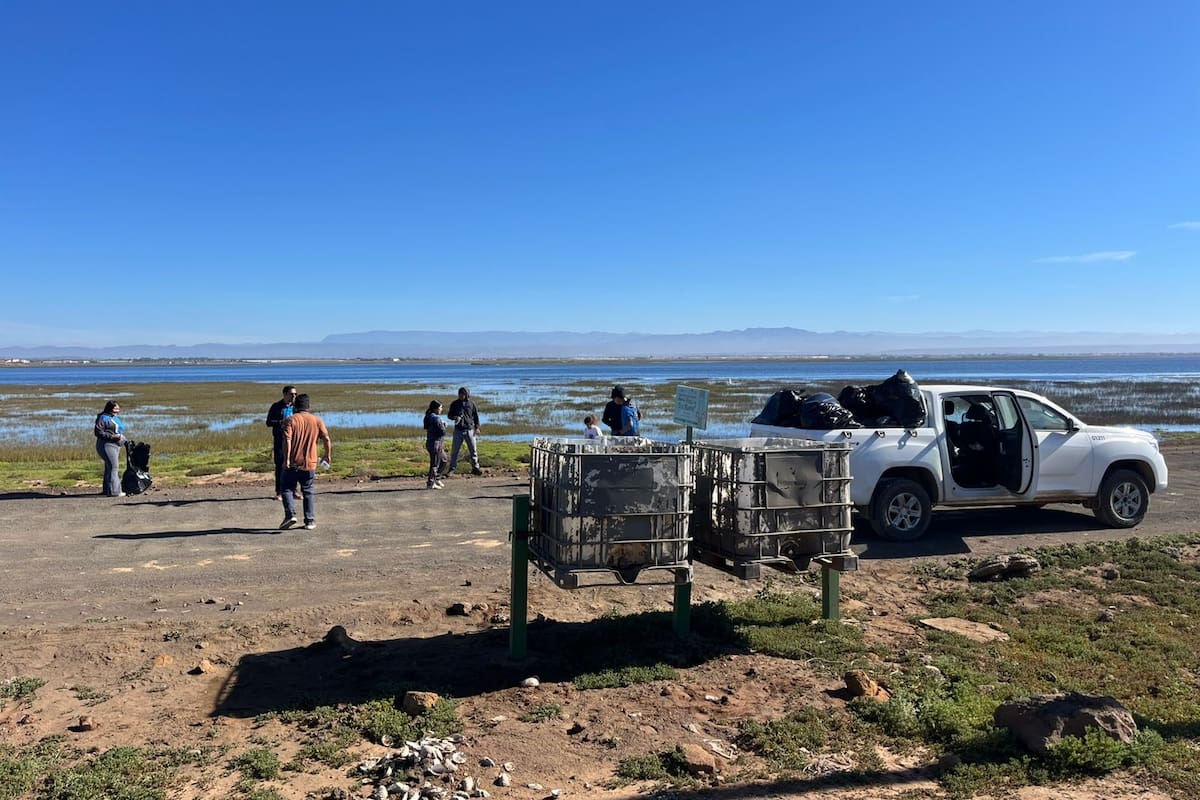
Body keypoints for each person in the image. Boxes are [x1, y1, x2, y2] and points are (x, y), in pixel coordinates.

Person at [279, 393, 331, 530]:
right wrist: (327, 455)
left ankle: (290, 514)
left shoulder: (290, 420)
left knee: (286, 488)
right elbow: (326, 438)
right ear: (309, 406)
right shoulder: (317, 420)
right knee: (308, 491)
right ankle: (310, 520)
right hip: (310, 462)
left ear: (295, 406)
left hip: (294, 462)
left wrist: (287, 459)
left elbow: (287, 441)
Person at [266, 385, 298, 500]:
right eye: (291, 394)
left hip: (294, 440)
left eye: (295, 394)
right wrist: (280, 422)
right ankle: (279, 492)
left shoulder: (296, 407)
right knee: (280, 465)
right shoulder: (276, 406)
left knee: (294, 465)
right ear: (285, 394)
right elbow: (268, 422)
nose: (294, 396)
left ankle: (294, 490)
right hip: (280, 440)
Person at [446, 387, 484, 476]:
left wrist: (477, 427)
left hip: (470, 430)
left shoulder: (471, 404)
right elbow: (449, 415)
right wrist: (454, 417)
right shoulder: (454, 404)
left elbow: (476, 416)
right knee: (455, 451)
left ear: (467, 394)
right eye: (460, 393)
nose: (461, 395)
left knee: (473, 450)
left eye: (463, 393)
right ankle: (452, 469)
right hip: (458, 430)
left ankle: (475, 468)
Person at [93, 400, 126, 497]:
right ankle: (115, 491)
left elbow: (117, 430)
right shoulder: (103, 418)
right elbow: (98, 432)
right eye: (115, 408)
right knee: (114, 467)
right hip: (107, 445)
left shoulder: (114, 418)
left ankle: (107, 490)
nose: (118, 410)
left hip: (115, 445)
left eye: (118, 408)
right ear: (109, 408)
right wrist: (113, 437)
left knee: (109, 467)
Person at [424, 400, 448, 489]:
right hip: (435, 443)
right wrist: (444, 425)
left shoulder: (429, 417)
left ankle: (436, 478)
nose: (441, 409)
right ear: (436, 409)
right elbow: (442, 432)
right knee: (435, 464)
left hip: (433, 442)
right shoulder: (436, 418)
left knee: (444, 459)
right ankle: (431, 483)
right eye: (440, 407)